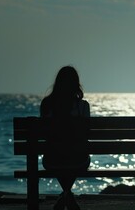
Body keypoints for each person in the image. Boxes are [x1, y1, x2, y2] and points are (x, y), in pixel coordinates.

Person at [40, 66, 90, 210]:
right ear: (76, 84)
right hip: (78, 161)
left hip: (51, 161)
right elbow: (86, 135)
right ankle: (67, 194)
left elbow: (45, 135)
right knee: (74, 156)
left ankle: (66, 195)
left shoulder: (47, 105)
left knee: (60, 156)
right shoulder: (82, 106)